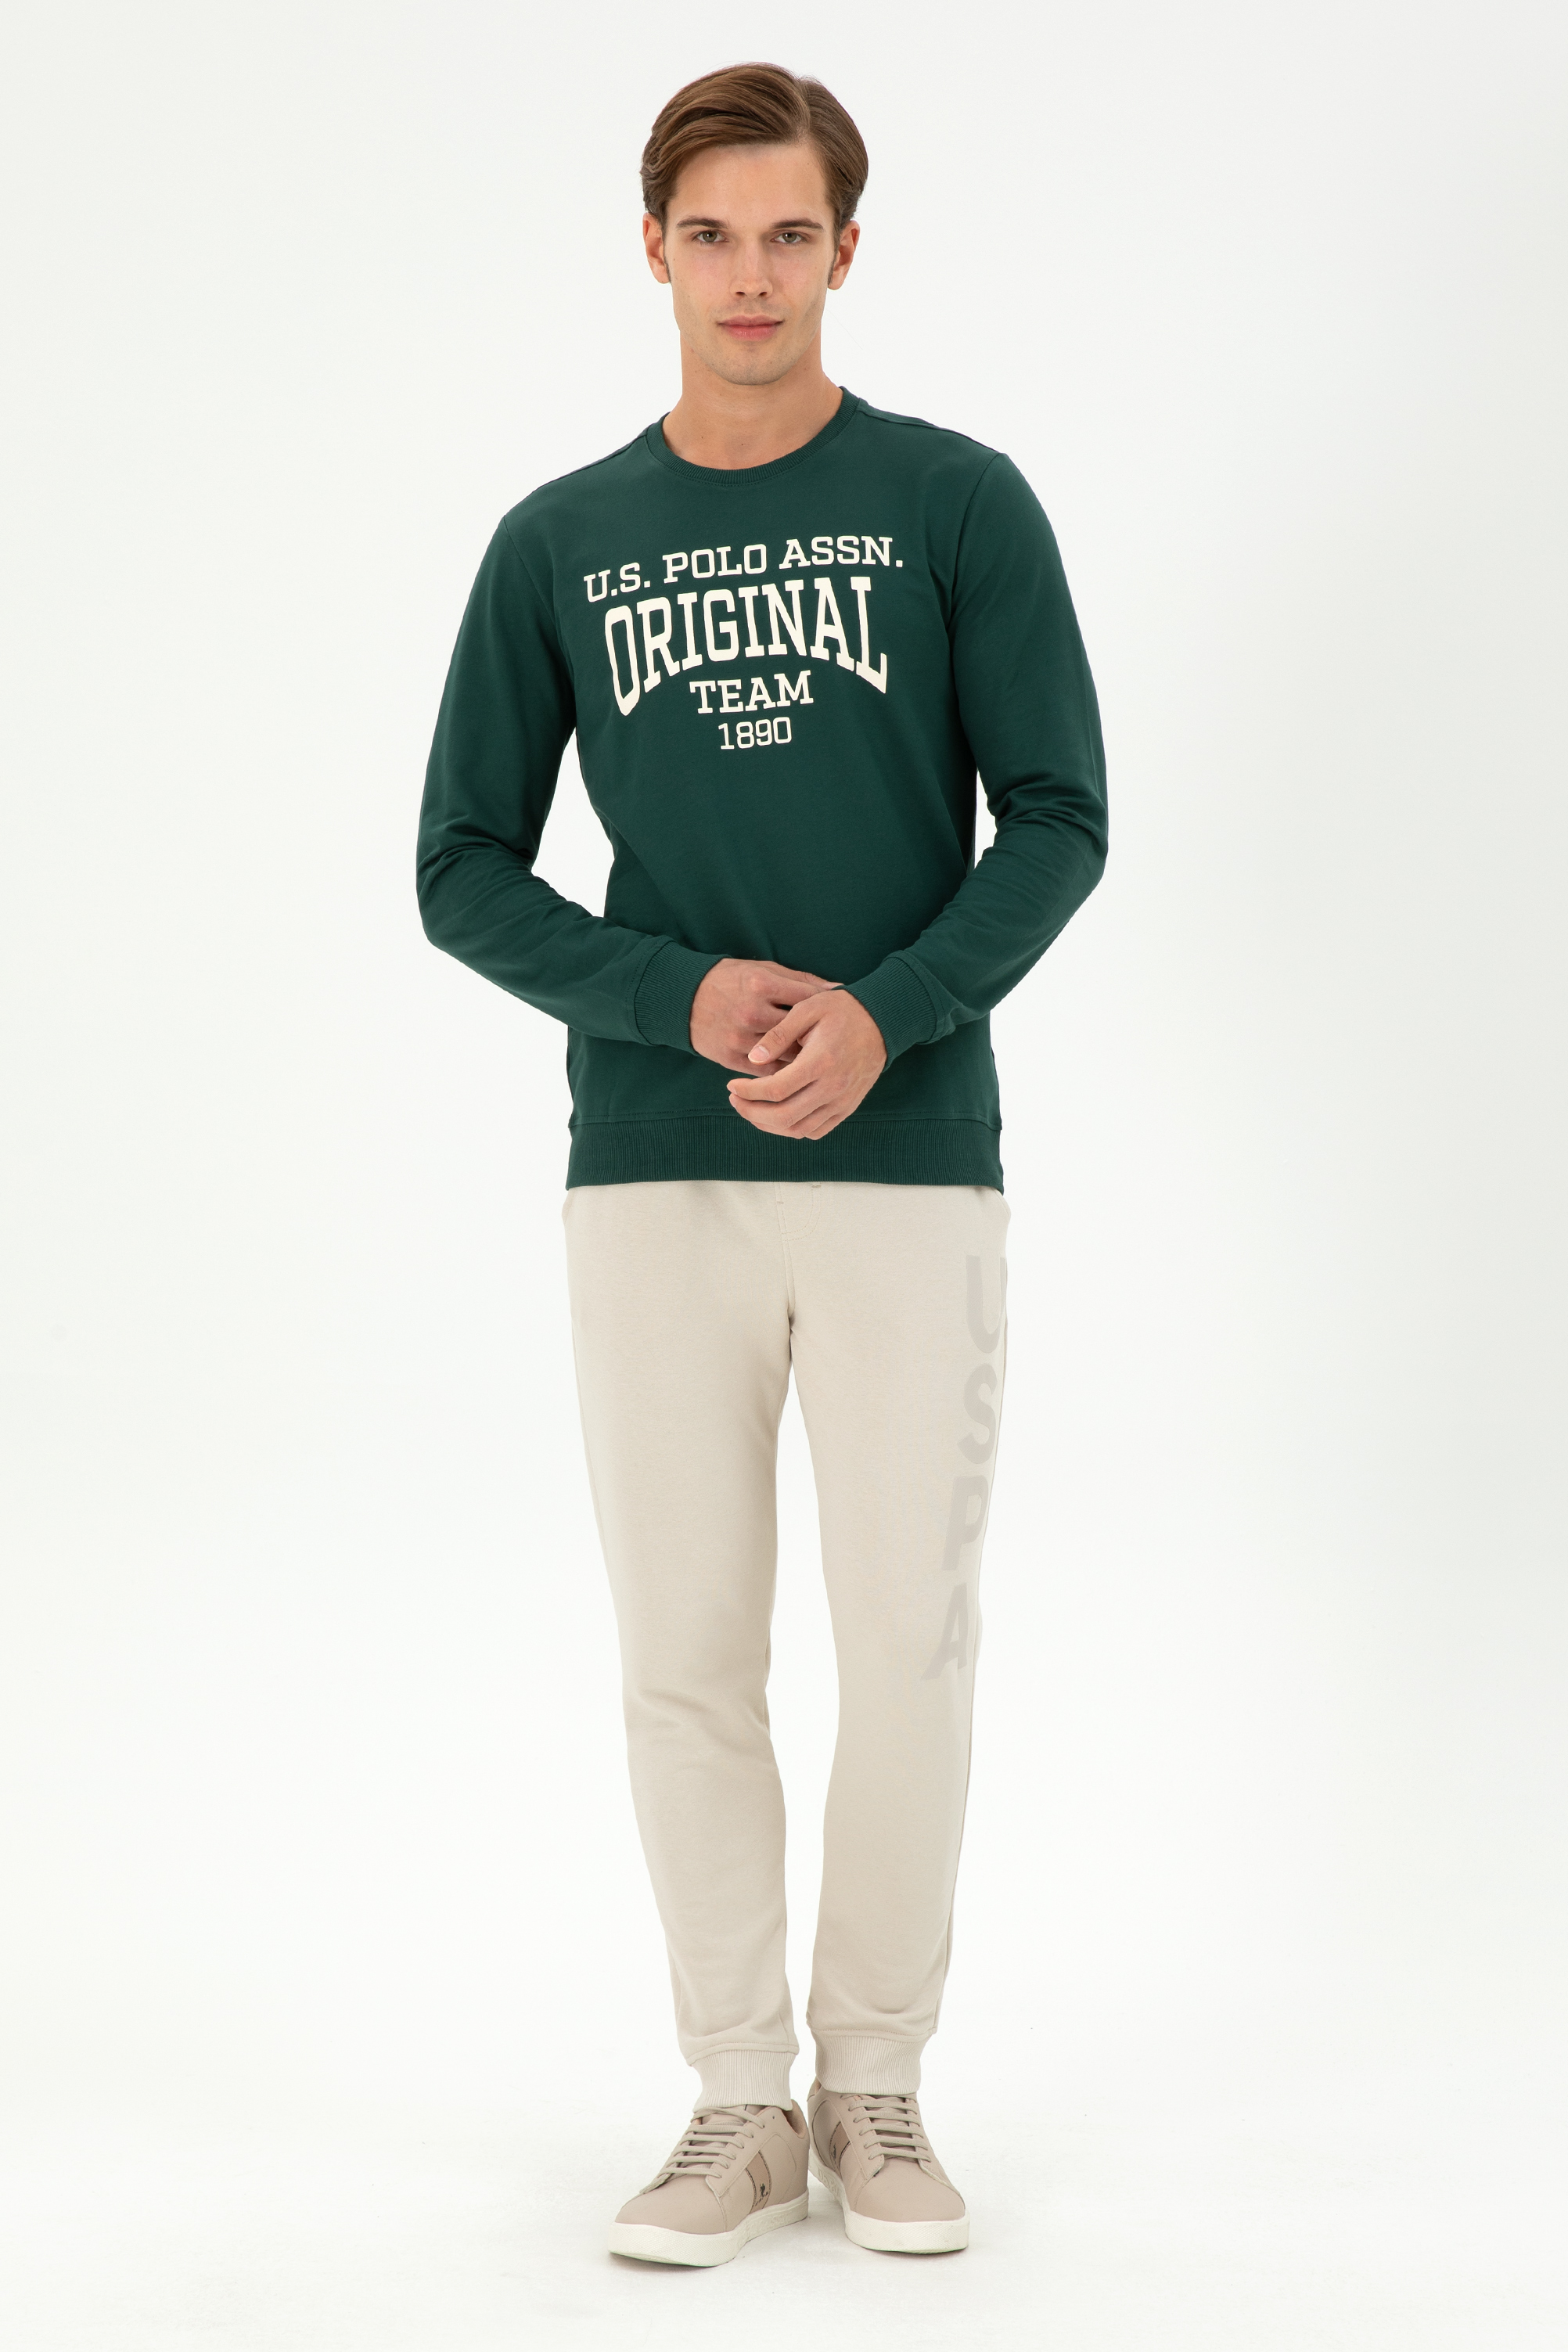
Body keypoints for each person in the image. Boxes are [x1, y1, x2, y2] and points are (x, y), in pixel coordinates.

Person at [416, 60, 1107, 2267]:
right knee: (685, 1650)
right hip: (651, 1170)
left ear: (844, 248)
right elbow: (458, 865)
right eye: (708, 235)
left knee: (906, 1642)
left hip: (911, 1163)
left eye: (786, 233)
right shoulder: (561, 539)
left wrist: (891, 1010)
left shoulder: (954, 502)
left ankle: (873, 2087)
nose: (747, 276)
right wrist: (675, 996)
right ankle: (737, 2105)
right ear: (652, 249)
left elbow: (1062, 814)